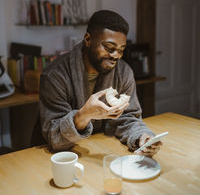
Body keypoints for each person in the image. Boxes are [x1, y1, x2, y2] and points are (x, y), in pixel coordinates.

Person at [39, 10, 162, 157]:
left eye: (121, 50)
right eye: (109, 48)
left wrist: (142, 136)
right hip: (57, 156)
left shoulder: (123, 72)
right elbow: (54, 137)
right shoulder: (55, 75)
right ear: (88, 39)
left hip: (100, 150)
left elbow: (128, 117)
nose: (116, 55)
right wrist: (83, 116)